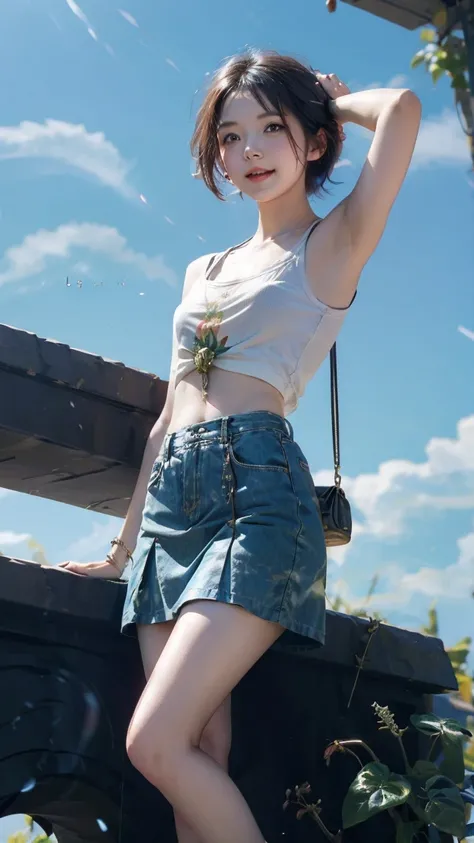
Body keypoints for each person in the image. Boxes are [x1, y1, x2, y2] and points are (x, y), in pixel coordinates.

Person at [59, 49, 421, 843]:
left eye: (271, 129)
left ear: (313, 142)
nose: (248, 152)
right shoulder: (204, 270)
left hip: (256, 498)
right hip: (170, 510)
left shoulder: (331, 246)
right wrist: (122, 553)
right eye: (230, 136)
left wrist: (335, 99)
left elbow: (403, 115)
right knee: (196, 750)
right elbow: (167, 416)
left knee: (153, 741)